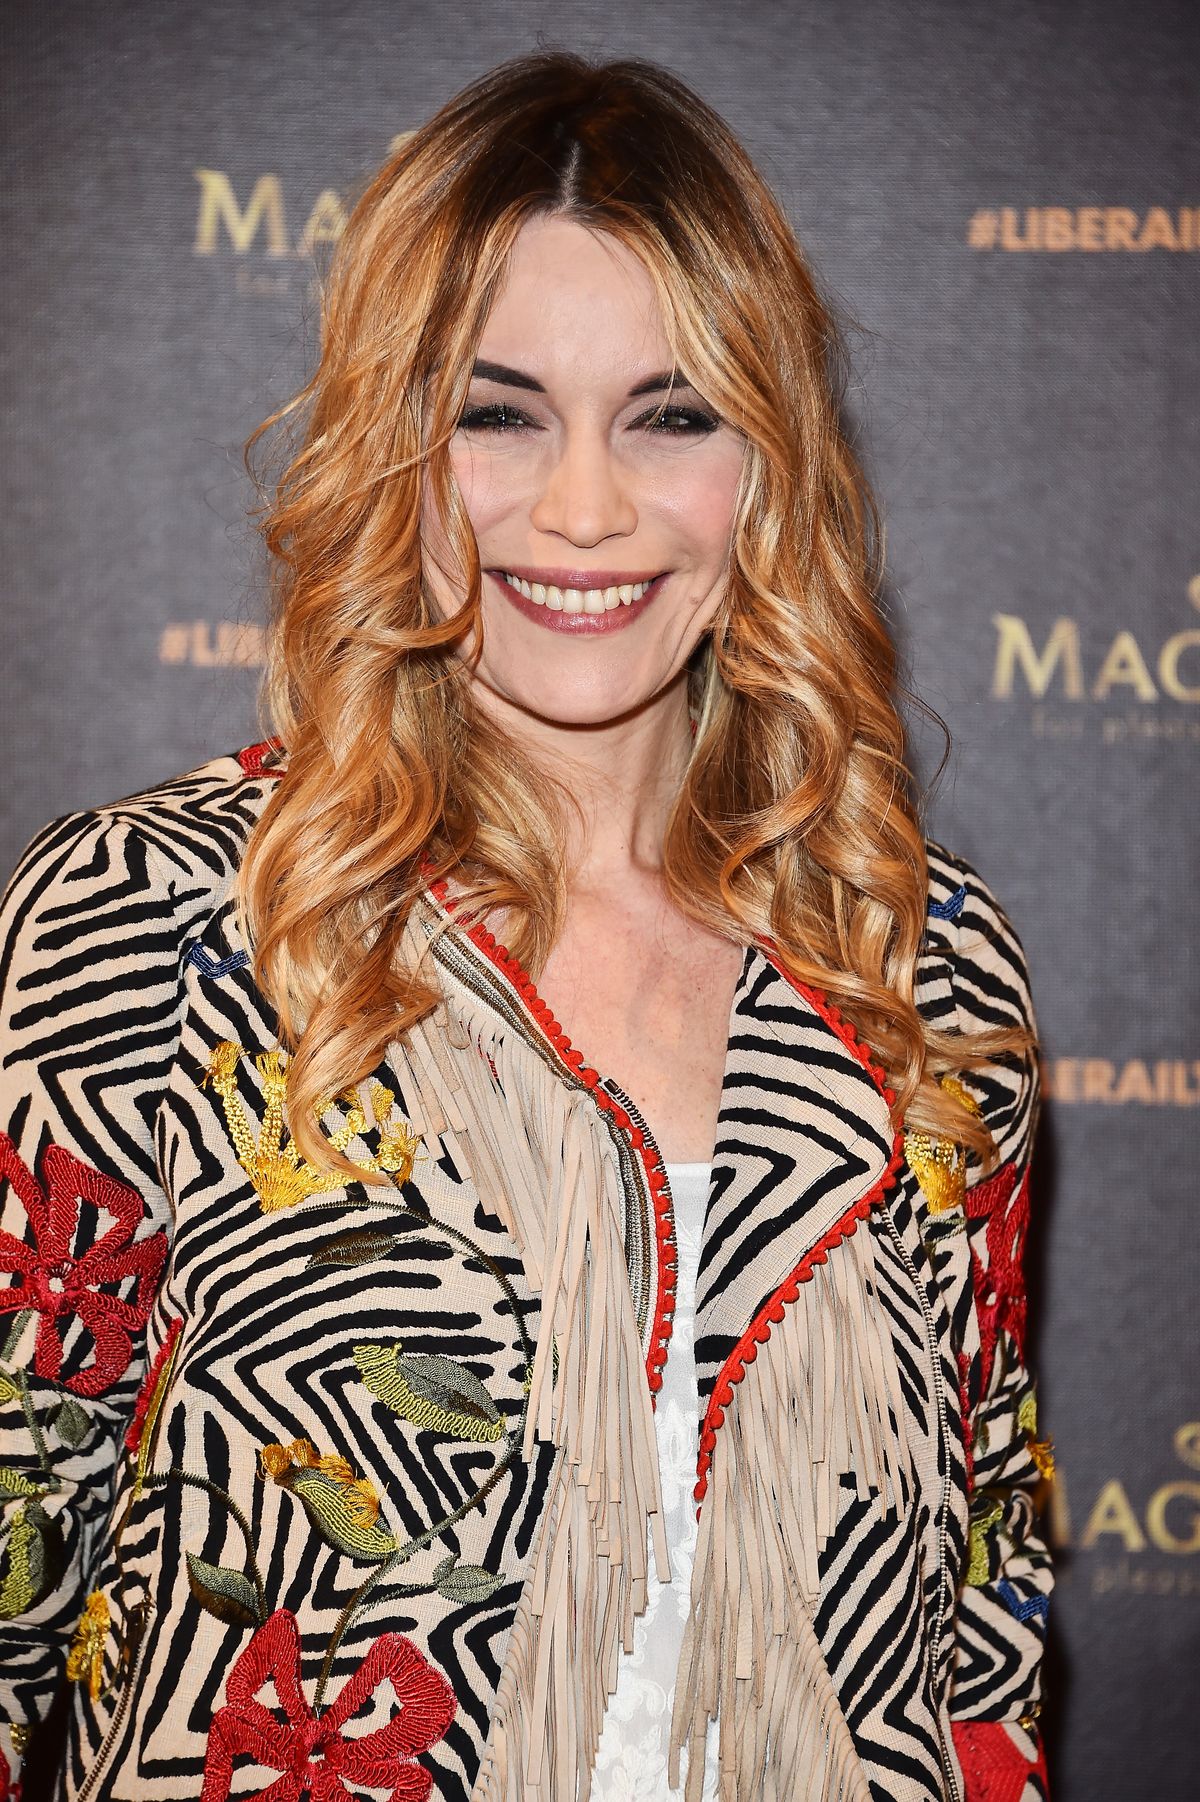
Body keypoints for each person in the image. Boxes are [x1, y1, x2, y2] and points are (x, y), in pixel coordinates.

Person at [0, 50, 1052, 1802]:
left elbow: (982, 1632)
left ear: (770, 461)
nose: (581, 508)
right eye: (498, 414)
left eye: (670, 415)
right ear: (395, 448)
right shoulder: (160, 919)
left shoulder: (920, 965)